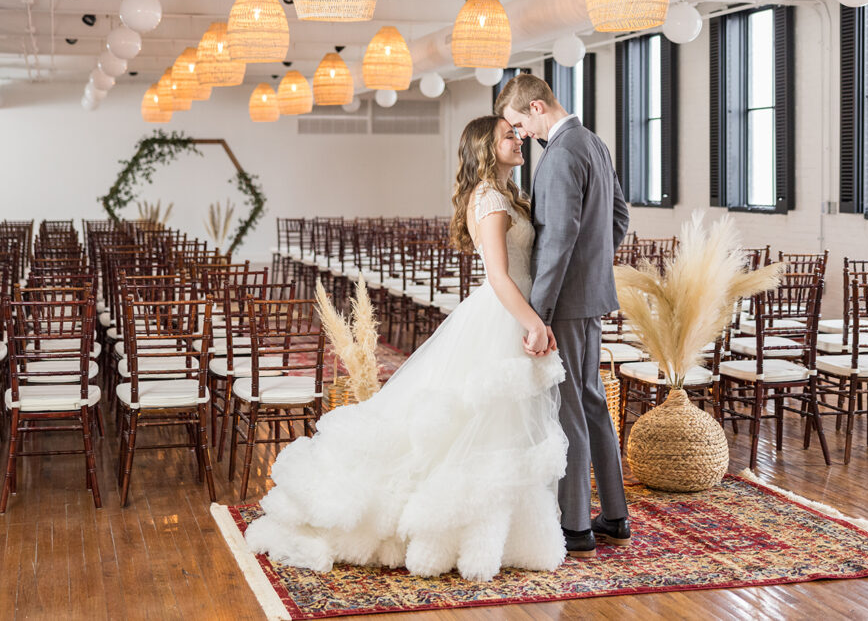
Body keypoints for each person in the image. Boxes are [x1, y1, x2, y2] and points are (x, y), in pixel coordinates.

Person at [245, 116, 569, 583]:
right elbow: (499, 275)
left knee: (500, 427)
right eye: (508, 135)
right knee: (484, 424)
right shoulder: (492, 198)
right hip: (502, 314)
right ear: (485, 148)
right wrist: (534, 323)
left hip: (507, 311)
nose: (518, 140)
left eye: (517, 134)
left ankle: (500, 531)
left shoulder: (504, 194)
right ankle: (455, 528)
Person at [495, 73, 631, 558]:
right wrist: (595, 269)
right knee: (592, 402)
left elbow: (557, 241)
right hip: (590, 297)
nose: (520, 136)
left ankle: (576, 526)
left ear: (536, 107)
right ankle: (614, 515)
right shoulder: (592, 142)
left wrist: (540, 314)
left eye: (517, 124)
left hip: (566, 306)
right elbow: (619, 217)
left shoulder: (560, 154)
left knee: (570, 407)